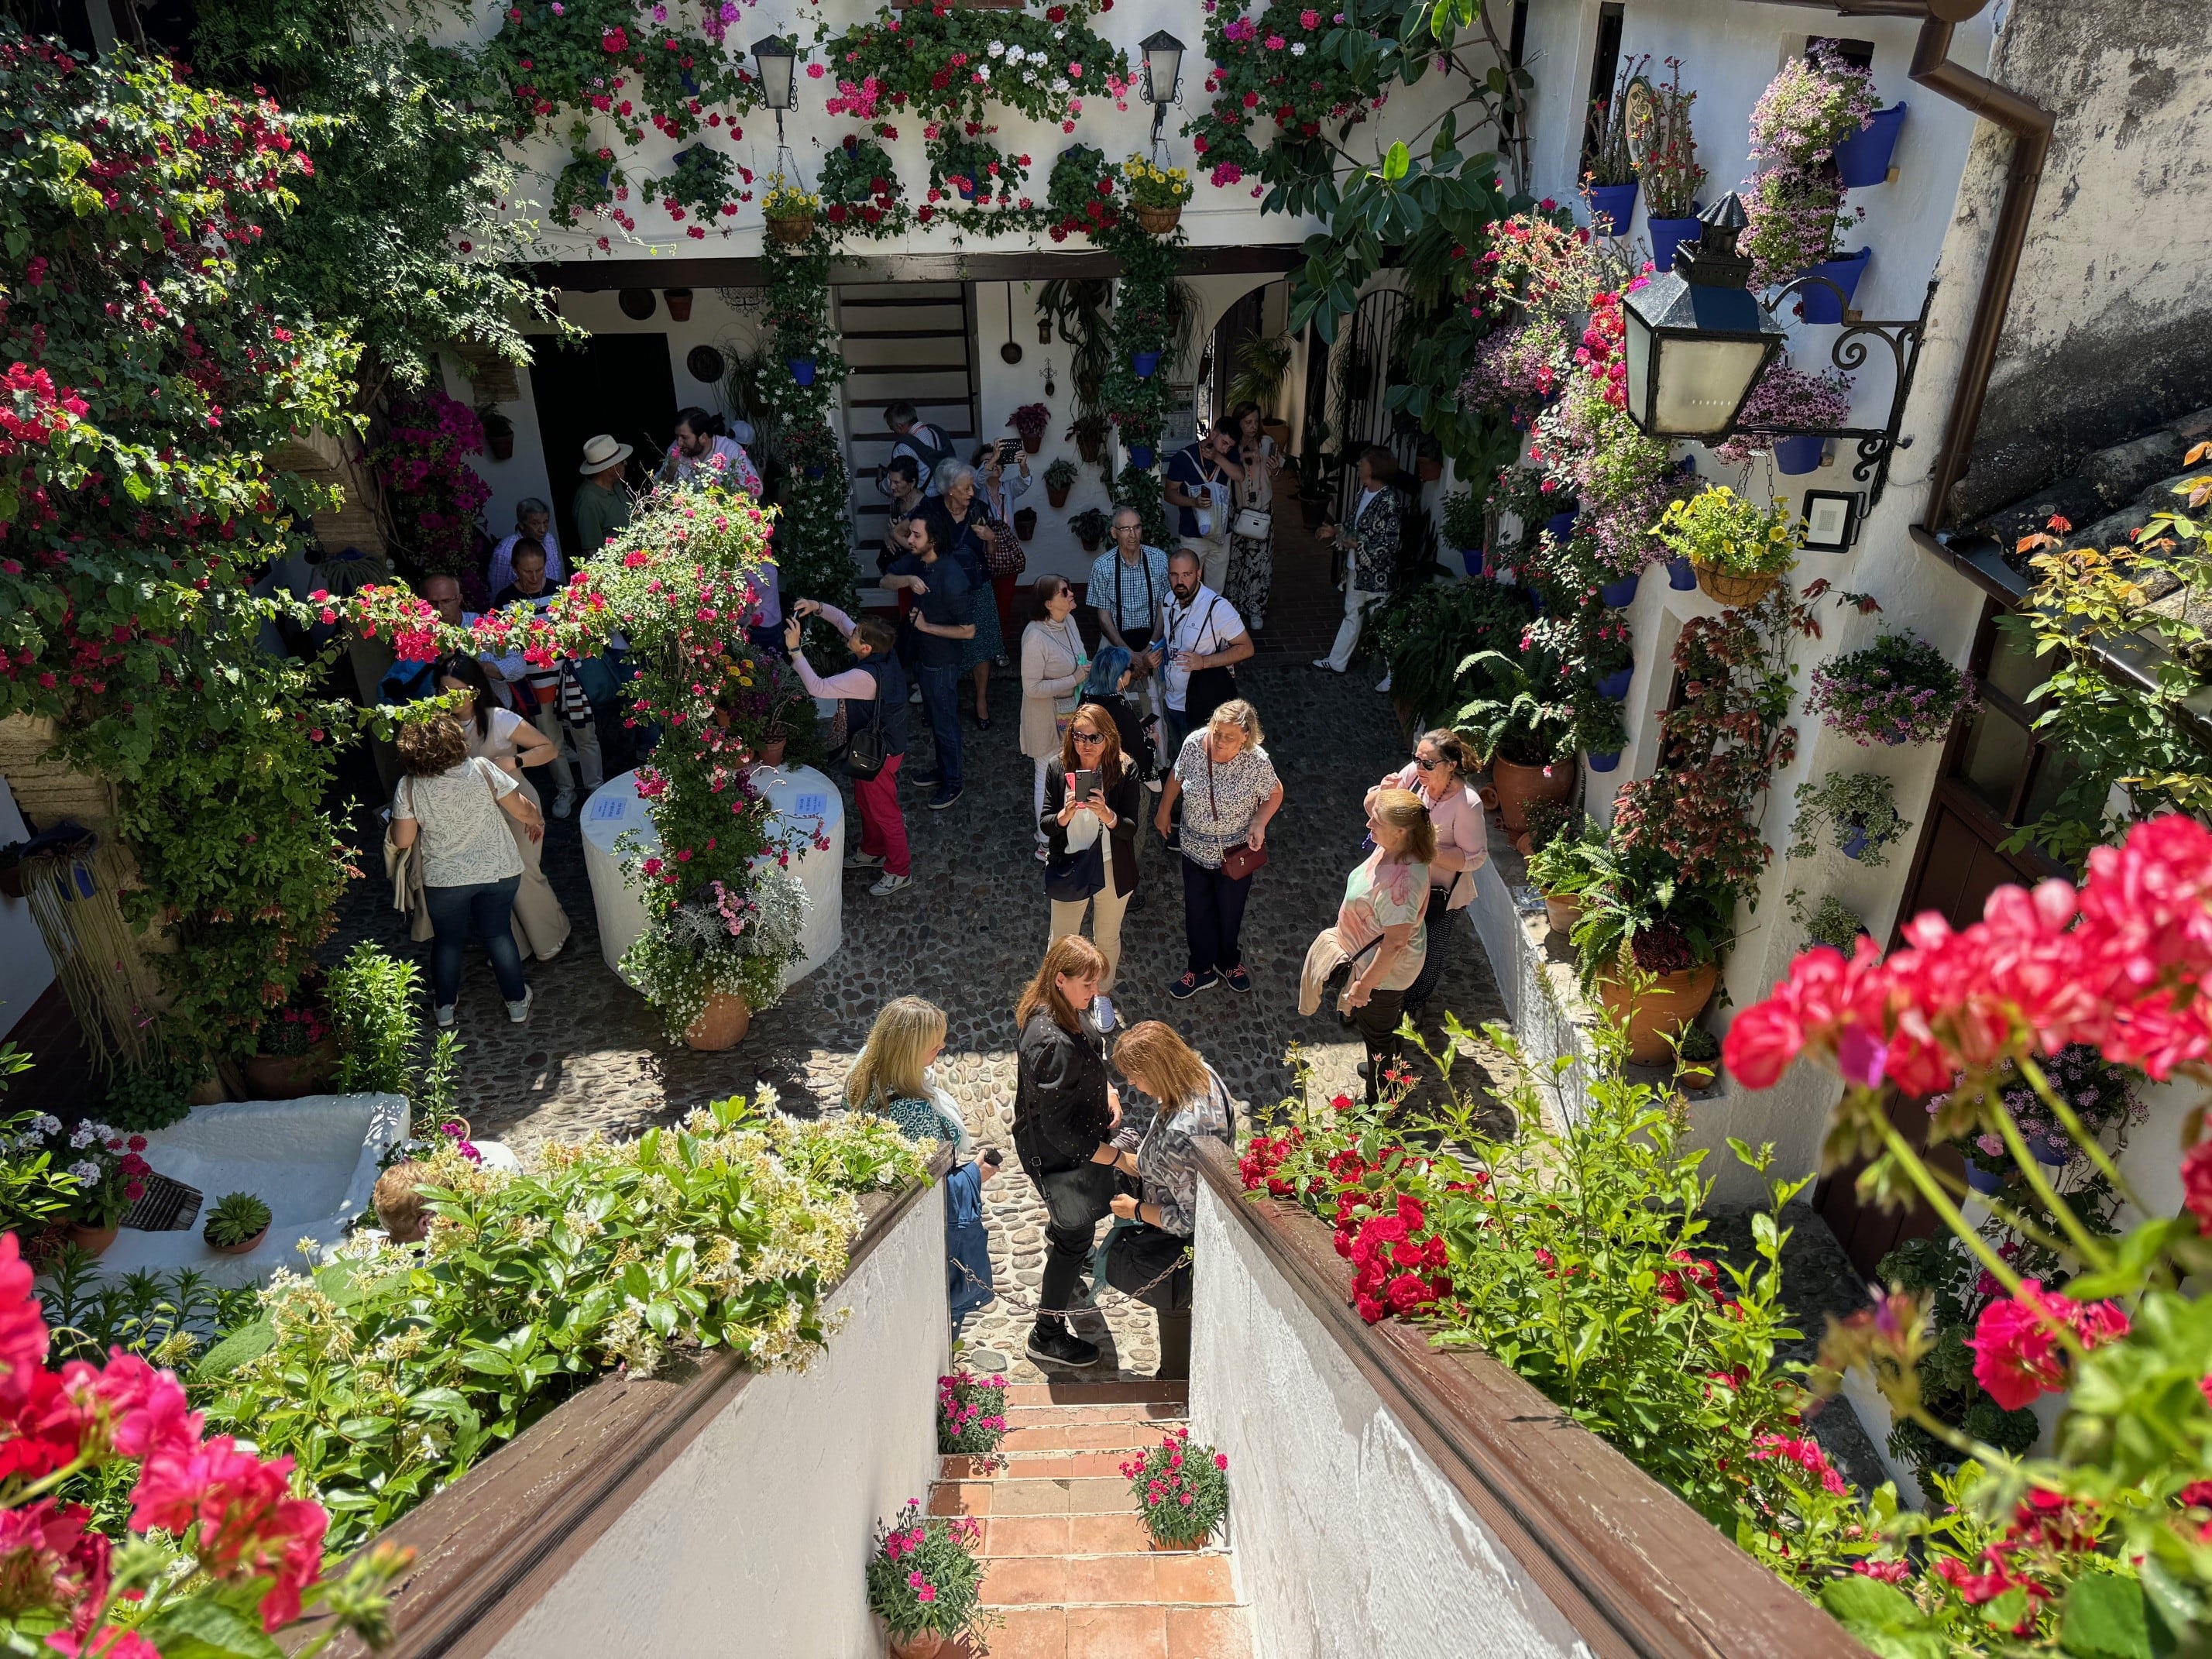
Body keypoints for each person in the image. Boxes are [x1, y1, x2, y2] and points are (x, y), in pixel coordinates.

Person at [847, 996, 999, 1340]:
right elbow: (935, 1185)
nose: (942, 1048)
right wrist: (976, 1173)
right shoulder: (914, 1113)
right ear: (907, 1052)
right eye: (933, 1046)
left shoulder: (864, 1071)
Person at [388, 714, 541, 1028]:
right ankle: (516, 1002)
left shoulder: (409, 785)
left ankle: (444, 1008)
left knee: (447, 941)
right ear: (457, 741)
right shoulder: (482, 769)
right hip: (497, 868)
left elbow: (402, 839)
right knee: (498, 933)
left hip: (445, 878)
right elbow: (522, 810)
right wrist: (536, 818)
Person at [1012, 935, 1120, 1369]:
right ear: (1059, 980)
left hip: (1074, 1139)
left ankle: (1066, 1239)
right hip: (1058, 1156)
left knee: (1072, 1233)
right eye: (1087, 984)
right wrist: (1114, 1158)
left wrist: (1108, 1089)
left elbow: (1086, 1062)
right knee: (1075, 1240)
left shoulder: (1060, 1010)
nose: (1095, 993)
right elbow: (1058, 1131)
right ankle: (1047, 1334)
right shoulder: (1050, 1040)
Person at [1103, 1020, 1233, 1379]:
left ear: (1157, 1070)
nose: (1131, 1084)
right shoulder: (1204, 1074)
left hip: (1174, 1243)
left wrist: (1137, 1210)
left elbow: (1188, 1219)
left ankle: (1174, 1380)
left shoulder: (1180, 1136)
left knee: (1173, 1305)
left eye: (1135, 1075)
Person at [1304, 788, 1434, 1104]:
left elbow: (1395, 945)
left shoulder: (1399, 888)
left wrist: (1364, 988)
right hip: (1375, 966)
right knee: (1384, 1027)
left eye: (1376, 821)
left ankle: (1382, 1103)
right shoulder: (1394, 844)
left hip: (1383, 975)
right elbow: (1376, 808)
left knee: (1378, 1034)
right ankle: (1393, 1072)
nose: (1368, 825)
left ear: (1400, 830)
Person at [437, 654, 570, 960]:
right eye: (444, 692)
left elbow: (548, 749)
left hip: (517, 803)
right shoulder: (441, 727)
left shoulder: (499, 718)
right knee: (494, 882)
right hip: (475, 814)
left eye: (457, 691)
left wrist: (515, 760)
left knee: (524, 874)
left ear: (475, 688)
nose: (450, 698)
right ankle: (517, 947)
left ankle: (551, 936)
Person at [1156, 699, 1282, 1001]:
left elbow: (1275, 792)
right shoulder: (1195, 744)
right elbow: (1177, 775)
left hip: (1235, 853)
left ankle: (1229, 962)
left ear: (1246, 739)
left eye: (1230, 737)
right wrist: (1163, 810)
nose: (1220, 741)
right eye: (1217, 732)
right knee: (1197, 912)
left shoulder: (1257, 760)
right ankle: (1200, 969)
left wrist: (1260, 822)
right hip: (1194, 847)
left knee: (1229, 912)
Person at [787, 599, 911, 896]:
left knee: (886, 813)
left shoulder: (863, 678)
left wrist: (794, 650)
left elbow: (817, 687)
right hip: (873, 745)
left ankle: (899, 870)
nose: (850, 635)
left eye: (856, 636)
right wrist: (817, 607)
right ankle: (872, 849)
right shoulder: (884, 651)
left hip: (880, 753)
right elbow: (843, 620)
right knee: (866, 802)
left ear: (865, 648)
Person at [1366, 729, 1487, 1014]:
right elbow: (1374, 811)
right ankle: (1375, 998)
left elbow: (1475, 858)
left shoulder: (1468, 804)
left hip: (1437, 895)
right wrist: (1382, 793)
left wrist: (1428, 850)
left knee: (1427, 951)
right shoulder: (1413, 776)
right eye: (1417, 759)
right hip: (1397, 882)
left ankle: (1413, 1005)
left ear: (1451, 765)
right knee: (1383, 940)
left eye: (1428, 764)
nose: (1420, 768)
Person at [1041, 702, 1143, 1033]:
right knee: (1063, 938)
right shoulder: (1058, 768)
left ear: (1109, 738)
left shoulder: (1125, 769)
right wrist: (1063, 816)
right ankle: (1059, 996)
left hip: (1112, 866)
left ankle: (1100, 993)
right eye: (1078, 735)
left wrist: (1107, 815)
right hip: (1071, 864)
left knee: (1107, 936)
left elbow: (1129, 828)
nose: (1085, 744)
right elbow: (1046, 824)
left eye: (1094, 737)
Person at [490, 541, 603, 818]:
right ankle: (567, 790)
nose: (534, 577)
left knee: (585, 736)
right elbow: (504, 649)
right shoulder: (504, 601)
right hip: (534, 685)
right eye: (527, 571)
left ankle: (596, 789)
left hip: (568, 680)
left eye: (539, 570)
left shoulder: (560, 593)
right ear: (515, 569)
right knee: (550, 742)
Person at [880, 514, 974, 810]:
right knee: (935, 720)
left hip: (943, 662)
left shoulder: (952, 576)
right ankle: (943, 770)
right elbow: (885, 580)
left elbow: (968, 631)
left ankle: (954, 781)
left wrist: (926, 627)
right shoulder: (919, 562)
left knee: (945, 722)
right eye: (910, 534)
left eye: (916, 536)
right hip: (924, 659)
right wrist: (908, 580)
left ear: (933, 540)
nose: (909, 540)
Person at [1146, 547, 1254, 764]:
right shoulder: (1168, 599)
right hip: (1171, 699)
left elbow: (1246, 648)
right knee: (1183, 756)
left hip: (1201, 703)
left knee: (1206, 761)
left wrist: (1204, 661)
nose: (1180, 581)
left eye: (1186, 574)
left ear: (1198, 574)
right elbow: (1163, 630)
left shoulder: (1217, 607)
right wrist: (1151, 650)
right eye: (1174, 574)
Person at [923, 461, 1006, 728]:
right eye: (966, 487)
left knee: (980, 648)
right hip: (943, 593)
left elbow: (990, 554)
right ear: (949, 490)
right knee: (942, 649)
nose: (972, 492)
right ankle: (941, 703)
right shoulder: (931, 512)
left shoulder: (979, 510)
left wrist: (991, 538)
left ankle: (981, 701)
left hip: (977, 587)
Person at [1314, 445, 1402, 686]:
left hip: (1377, 577)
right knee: (1352, 615)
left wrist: (1358, 544)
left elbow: (1390, 544)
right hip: (1356, 571)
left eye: (1362, 464)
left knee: (1382, 623)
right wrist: (1336, 531)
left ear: (1374, 469)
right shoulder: (1363, 493)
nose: (1358, 467)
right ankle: (1337, 660)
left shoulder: (1389, 502)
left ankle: (1395, 675)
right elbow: (1354, 525)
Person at [1020, 575, 1090, 862]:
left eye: (1070, 588)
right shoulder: (1035, 637)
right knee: (1046, 777)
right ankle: (1046, 842)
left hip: (1077, 714)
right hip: (1045, 719)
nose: (1071, 593)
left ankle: (1084, 830)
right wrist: (1073, 678)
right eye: (1065, 591)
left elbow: (1080, 658)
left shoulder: (1070, 622)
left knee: (1084, 767)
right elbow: (1031, 688)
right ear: (1049, 604)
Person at [1088, 504, 1170, 716]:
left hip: (1152, 639)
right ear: (1114, 533)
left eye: (1137, 527)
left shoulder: (1158, 559)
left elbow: (1164, 607)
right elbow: (1104, 618)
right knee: (1105, 702)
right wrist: (1129, 655)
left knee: (1156, 703)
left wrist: (1149, 648)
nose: (1132, 535)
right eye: (1125, 529)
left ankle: (1155, 746)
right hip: (1115, 641)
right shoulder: (1102, 566)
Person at [1222, 402, 1283, 634]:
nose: (1253, 427)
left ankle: (1255, 609)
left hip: (1261, 511)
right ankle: (1233, 608)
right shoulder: (1231, 447)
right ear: (1238, 423)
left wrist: (1275, 469)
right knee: (1235, 563)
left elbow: (1278, 477)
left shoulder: (1267, 444)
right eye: (1248, 422)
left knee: (1259, 564)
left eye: (1256, 422)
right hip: (1238, 512)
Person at [1164, 424, 1245, 593]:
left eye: (1230, 446)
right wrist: (1194, 502)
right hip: (1192, 534)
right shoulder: (1184, 458)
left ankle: (1210, 619)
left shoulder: (1228, 456)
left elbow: (1240, 476)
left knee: (1216, 589)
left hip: (1221, 534)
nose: (1226, 449)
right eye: (1224, 442)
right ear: (1213, 434)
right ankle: (1187, 619)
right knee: (1187, 586)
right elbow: (1169, 494)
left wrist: (1217, 457)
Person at [973, 441, 1032, 647]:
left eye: (998, 461)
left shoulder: (1008, 488)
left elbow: (1024, 482)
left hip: (1006, 555)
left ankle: (1000, 645)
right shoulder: (977, 490)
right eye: (988, 462)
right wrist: (994, 458)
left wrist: (1023, 465)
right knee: (986, 604)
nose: (994, 464)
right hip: (983, 555)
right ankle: (986, 646)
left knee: (1004, 604)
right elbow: (976, 479)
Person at [661, 406, 764, 496]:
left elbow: (756, 490)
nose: (679, 443)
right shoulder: (675, 449)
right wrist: (669, 473)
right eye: (677, 436)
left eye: (684, 437)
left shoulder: (730, 450)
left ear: (704, 437)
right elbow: (658, 490)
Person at [573, 434, 634, 556]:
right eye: (621, 461)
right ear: (610, 468)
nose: (626, 463)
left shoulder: (615, 484)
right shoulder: (588, 500)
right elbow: (591, 551)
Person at [489, 499, 563, 593]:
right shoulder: (505, 553)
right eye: (535, 524)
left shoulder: (549, 540)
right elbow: (498, 593)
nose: (543, 530)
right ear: (521, 525)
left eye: (545, 522)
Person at [885, 400, 957, 494]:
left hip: (920, 499)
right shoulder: (935, 432)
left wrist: (880, 484)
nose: (894, 432)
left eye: (892, 428)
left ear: (900, 426)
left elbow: (898, 481)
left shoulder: (903, 447)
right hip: (942, 494)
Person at [878, 455, 926, 577]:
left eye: (897, 482)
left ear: (912, 483)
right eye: (891, 481)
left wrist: (896, 534)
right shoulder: (897, 502)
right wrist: (888, 536)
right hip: (899, 570)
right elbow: (890, 529)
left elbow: (922, 548)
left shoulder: (924, 507)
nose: (892, 487)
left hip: (918, 572)